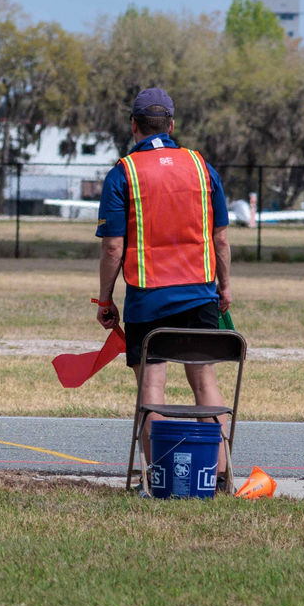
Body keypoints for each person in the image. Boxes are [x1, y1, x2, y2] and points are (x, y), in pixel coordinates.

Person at [94, 88, 233, 489]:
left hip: (148, 300)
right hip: (201, 296)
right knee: (205, 382)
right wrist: (225, 287)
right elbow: (220, 239)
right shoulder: (201, 167)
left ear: (133, 126)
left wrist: (105, 299)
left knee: (151, 387)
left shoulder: (124, 173)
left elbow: (113, 247)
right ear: (171, 125)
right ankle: (218, 476)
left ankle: (157, 478)